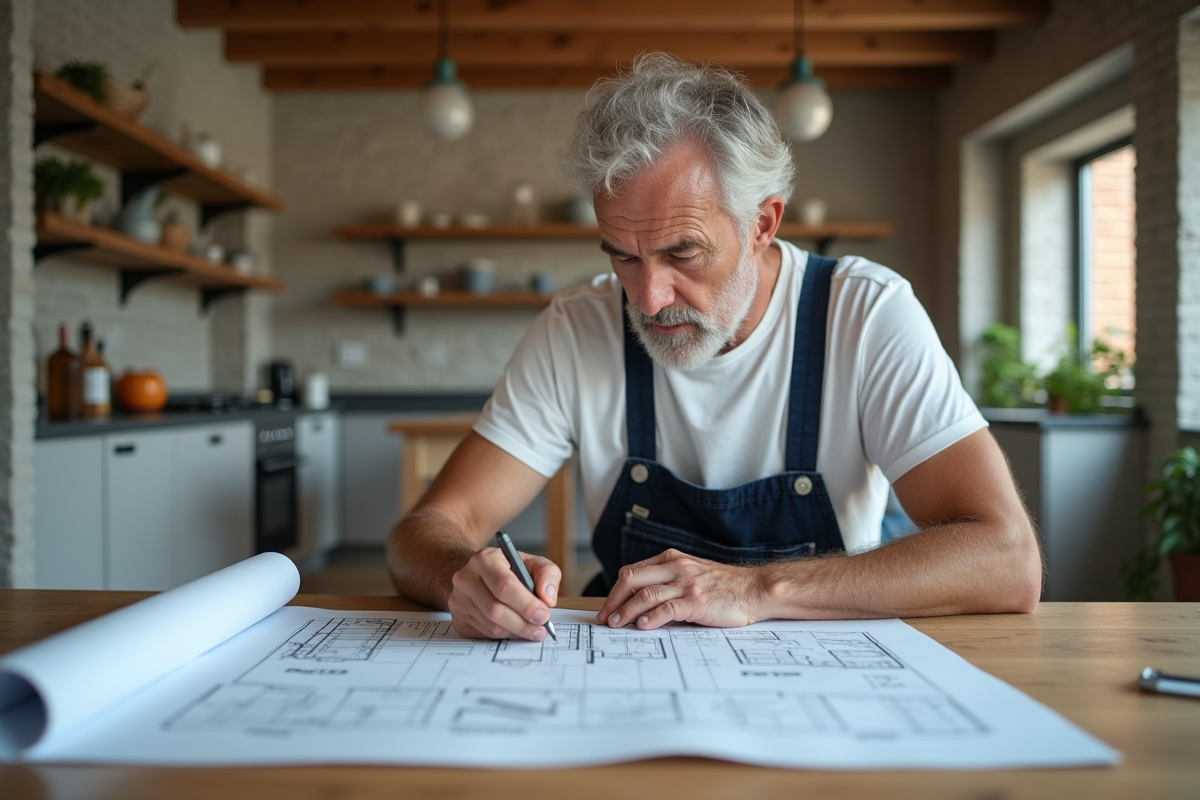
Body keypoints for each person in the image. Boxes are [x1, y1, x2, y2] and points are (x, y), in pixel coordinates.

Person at [387, 53, 1042, 641]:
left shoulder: (865, 315)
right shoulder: (576, 330)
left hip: (831, 664)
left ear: (762, 223)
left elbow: (1006, 559)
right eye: (624, 257)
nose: (647, 298)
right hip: (629, 668)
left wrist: (756, 588)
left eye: (683, 253)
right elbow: (425, 531)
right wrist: (463, 577)